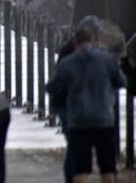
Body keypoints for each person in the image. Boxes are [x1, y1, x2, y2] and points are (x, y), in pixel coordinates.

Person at [46, 26, 126, 183]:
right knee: (107, 166)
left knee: (81, 166)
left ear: (75, 43)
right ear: (93, 40)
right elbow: (121, 82)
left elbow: (52, 87)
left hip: (79, 120)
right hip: (104, 119)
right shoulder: (107, 59)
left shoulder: (67, 63)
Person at [54, 15, 103, 183]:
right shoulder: (73, 52)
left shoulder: (72, 50)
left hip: (71, 105)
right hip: (68, 105)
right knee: (76, 146)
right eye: (95, 36)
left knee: (75, 146)